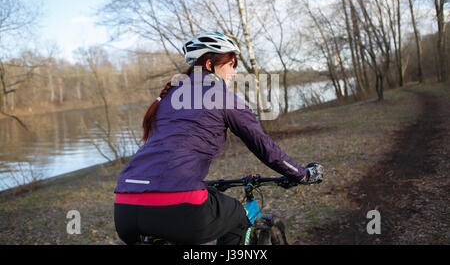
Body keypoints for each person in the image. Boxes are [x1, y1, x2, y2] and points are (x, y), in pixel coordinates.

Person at [113, 32, 324, 245]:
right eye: (230, 65)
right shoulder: (223, 98)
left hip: (125, 207)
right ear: (209, 64)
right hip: (179, 203)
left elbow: (168, 151)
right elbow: (263, 146)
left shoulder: (168, 99)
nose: (233, 73)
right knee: (239, 218)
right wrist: (302, 174)